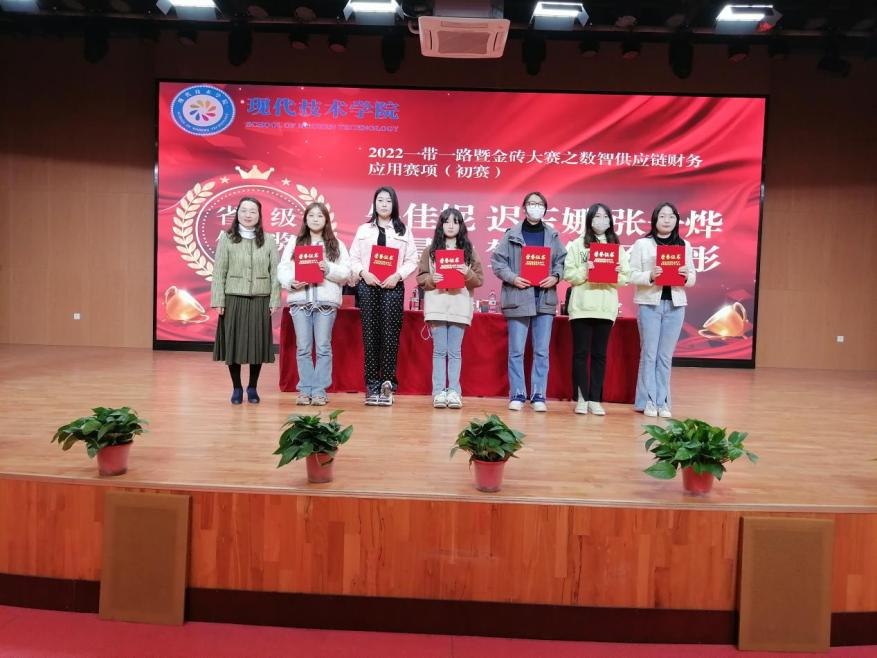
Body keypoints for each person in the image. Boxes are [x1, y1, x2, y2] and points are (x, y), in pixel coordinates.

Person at [491, 191, 567, 412]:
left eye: (539, 204)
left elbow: (562, 262)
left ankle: (538, 395)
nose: (535, 207)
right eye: (531, 203)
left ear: (545, 208)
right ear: (524, 207)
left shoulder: (552, 235)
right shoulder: (511, 234)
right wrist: (513, 278)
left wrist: (555, 276)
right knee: (516, 351)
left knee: (541, 351)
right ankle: (517, 393)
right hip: (518, 298)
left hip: (544, 299)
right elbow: (498, 262)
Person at [348, 186, 418, 406]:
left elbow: (412, 260)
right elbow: (353, 258)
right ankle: (371, 385)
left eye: (388, 200)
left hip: (392, 287)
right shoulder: (363, 230)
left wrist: (397, 276)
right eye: (380, 200)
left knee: (390, 336)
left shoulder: (403, 230)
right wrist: (363, 273)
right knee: (370, 336)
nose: (384, 204)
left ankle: (387, 385)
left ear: (394, 204)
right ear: (374, 203)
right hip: (368, 286)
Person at [277, 202, 351, 407]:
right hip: (300, 301)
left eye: (320, 215)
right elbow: (283, 268)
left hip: (326, 303)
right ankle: (305, 390)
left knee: (323, 347)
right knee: (303, 348)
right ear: (305, 219)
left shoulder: (336, 244)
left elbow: (347, 273)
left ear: (326, 219)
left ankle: (319, 391)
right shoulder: (295, 242)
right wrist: (290, 281)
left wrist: (328, 268)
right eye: (311, 215)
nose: (315, 219)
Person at [628, 202, 697, 418]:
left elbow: (692, 278)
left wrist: (685, 276)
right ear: (655, 219)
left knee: (665, 357)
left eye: (671, 216)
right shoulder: (642, 244)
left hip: (676, 306)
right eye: (663, 216)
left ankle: (663, 401)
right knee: (649, 355)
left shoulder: (684, 245)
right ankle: (648, 401)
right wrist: (650, 275)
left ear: (676, 220)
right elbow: (631, 274)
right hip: (650, 304)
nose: (667, 220)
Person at [211, 197, 281, 405]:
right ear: (237, 213)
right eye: (244, 210)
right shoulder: (227, 238)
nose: (248, 215)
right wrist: (218, 299)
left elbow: (275, 272)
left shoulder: (268, 239)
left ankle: (252, 387)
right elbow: (219, 271)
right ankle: (236, 387)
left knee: (257, 346)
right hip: (233, 298)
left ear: (259, 215)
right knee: (234, 346)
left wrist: (274, 299)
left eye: (252, 211)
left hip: (261, 298)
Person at [563, 203, 630, 415]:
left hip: (605, 308)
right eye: (597, 216)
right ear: (589, 220)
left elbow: (625, 278)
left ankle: (595, 399)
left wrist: (615, 273)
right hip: (582, 307)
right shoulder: (577, 245)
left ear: (610, 221)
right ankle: (582, 398)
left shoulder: (616, 248)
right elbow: (568, 275)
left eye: (605, 217)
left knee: (600, 355)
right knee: (580, 354)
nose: (601, 220)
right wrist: (585, 269)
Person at [416, 208, 484, 409]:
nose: (451, 225)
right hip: (436, 306)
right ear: (441, 225)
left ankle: (454, 392)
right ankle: (438, 392)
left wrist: (466, 272)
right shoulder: (430, 250)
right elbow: (421, 278)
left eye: (455, 221)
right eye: (447, 221)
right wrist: (432, 279)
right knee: (439, 351)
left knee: (454, 352)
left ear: (461, 225)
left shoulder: (469, 251)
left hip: (459, 308)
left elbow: (479, 279)